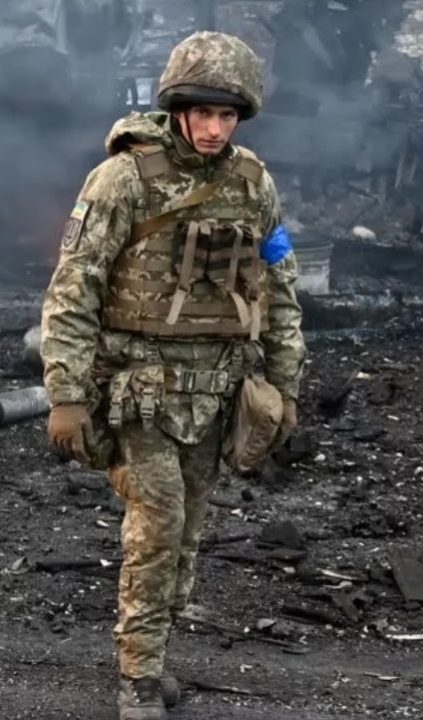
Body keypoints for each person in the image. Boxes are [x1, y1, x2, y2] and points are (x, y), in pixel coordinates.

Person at [40, 31, 306, 720]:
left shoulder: (253, 182)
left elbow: (279, 288)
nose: (216, 128)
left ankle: (153, 658)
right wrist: (66, 395)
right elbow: (74, 290)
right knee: (155, 529)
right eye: (204, 112)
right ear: (179, 107)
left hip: (219, 392)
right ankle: (137, 678)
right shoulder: (123, 179)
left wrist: (286, 383)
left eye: (228, 115)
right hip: (141, 389)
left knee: (188, 532)